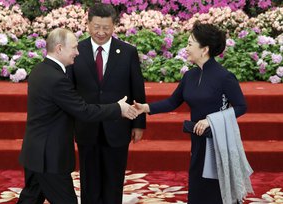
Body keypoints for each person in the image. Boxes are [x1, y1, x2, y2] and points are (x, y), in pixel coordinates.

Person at [17, 28, 138, 204]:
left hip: (35, 153)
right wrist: (118, 108)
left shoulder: (40, 70)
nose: (77, 52)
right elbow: (83, 111)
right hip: (49, 158)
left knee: (30, 198)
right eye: (73, 48)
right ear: (59, 48)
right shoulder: (56, 79)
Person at [134, 22, 247, 204]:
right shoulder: (190, 76)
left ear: (204, 49)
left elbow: (241, 106)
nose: (186, 48)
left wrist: (211, 120)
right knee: (197, 184)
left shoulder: (225, 77)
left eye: (190, 44)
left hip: (218, 140)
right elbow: (172, 102)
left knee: (216, 188)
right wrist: (145, 108)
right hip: (197, 138)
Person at [67, 3, 146, 204]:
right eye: (96, 27)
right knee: (89, 181)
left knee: (114, 181)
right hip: (86, 126)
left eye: (106, 27)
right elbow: (69, 89)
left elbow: (137, 89)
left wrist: (138, 124)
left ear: (114, 26)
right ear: (87, 25)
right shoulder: (77, 51)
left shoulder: (128, 52)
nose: (101, 32)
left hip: (118, 126)